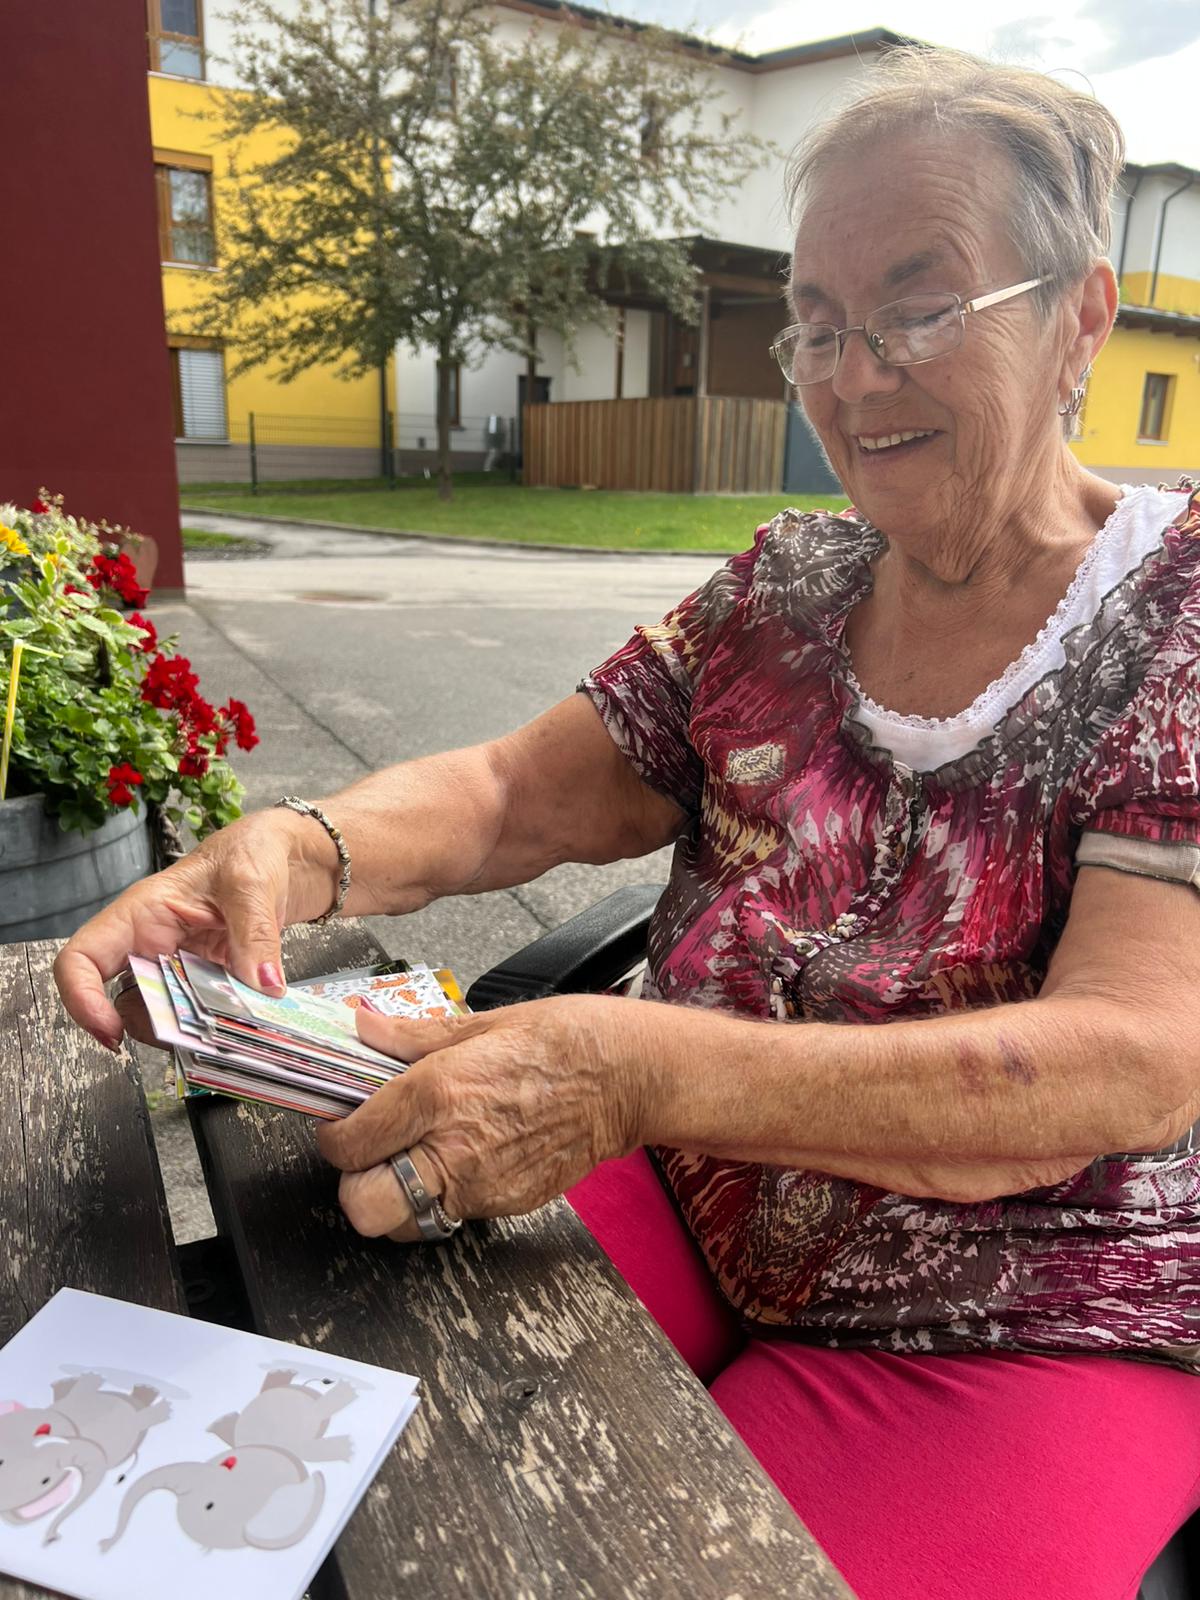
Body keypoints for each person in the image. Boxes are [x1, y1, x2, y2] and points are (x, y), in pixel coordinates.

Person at [55, 46, 1200, 1600]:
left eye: (919, 307)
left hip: (1019, 1320)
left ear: (1080, 316)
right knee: (310, 1445)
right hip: (688, 1185)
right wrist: (292, 851)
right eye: (817, 323)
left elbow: (1130, 1060)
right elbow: (513, 792)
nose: (855, 377)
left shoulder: (1175, 615)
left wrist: (630, 1068)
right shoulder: (784, 585)